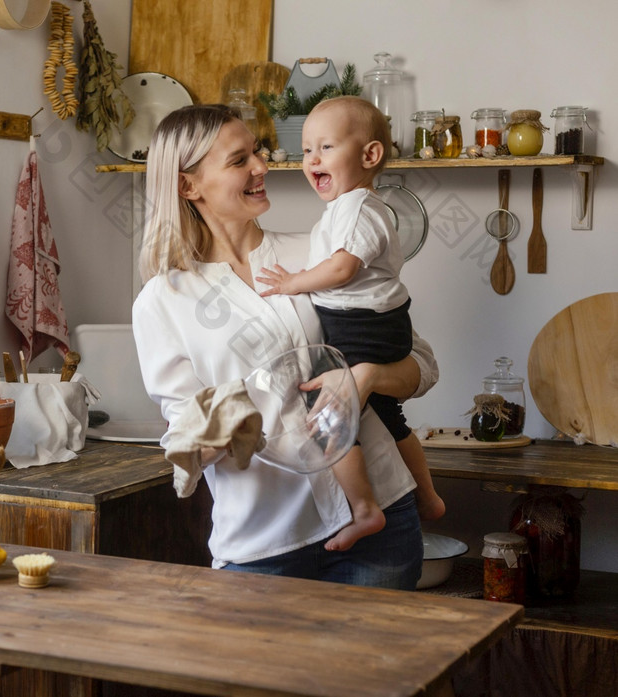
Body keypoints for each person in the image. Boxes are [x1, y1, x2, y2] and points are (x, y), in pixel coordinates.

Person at [132, 103, 439, 590]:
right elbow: (184, 433)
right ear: (188, 186)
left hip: (381, 520)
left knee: (379, 670)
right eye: (239, 161)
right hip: (264, 545)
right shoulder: (163, 301)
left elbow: (420, 363)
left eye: (257, 152)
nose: (262, 167)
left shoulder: (319, 252)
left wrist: (366, 378)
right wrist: (227, 429)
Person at [256, 96, 445, 552]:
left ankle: (364, 509)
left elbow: (342, 270)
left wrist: (294, 283)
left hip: (362, 328)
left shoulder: (358, 208)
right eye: (306, 151)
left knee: (330, 420)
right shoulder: (347, 207)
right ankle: (428, 497)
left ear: (370, 156)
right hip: (374, 323)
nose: (312, 160)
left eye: (325, 147)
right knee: (387, 415)